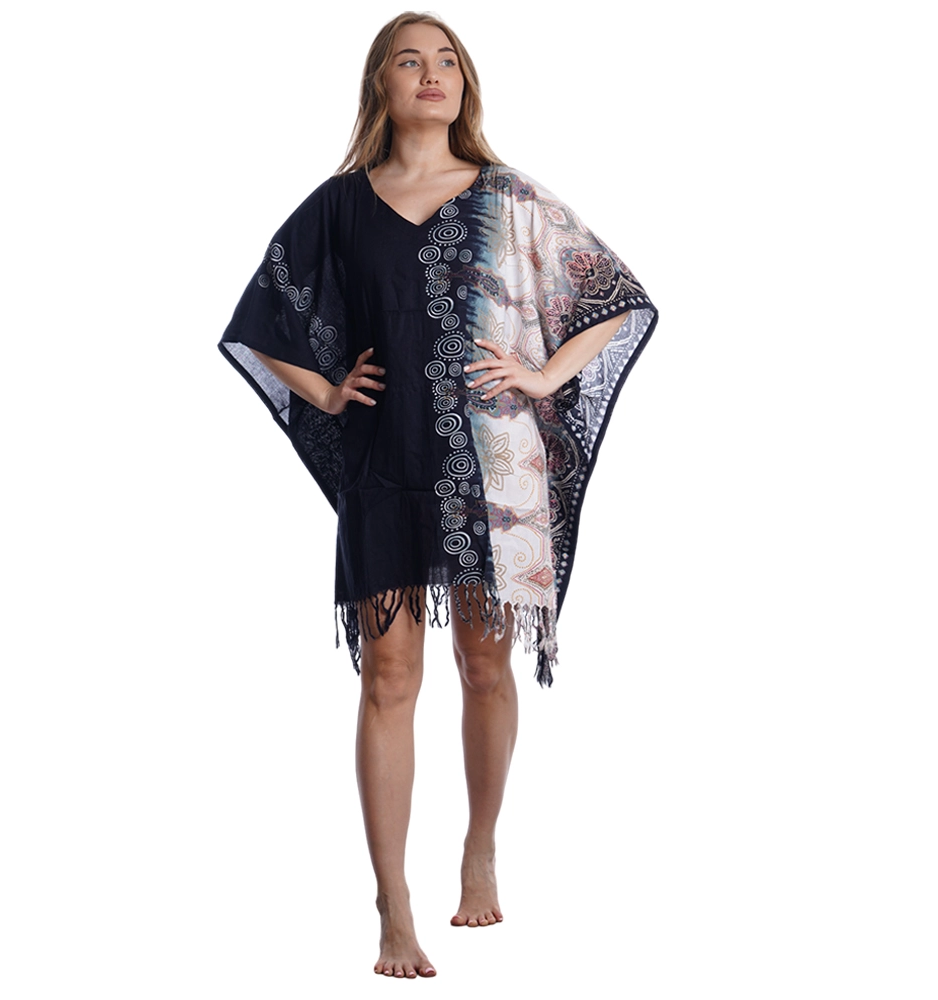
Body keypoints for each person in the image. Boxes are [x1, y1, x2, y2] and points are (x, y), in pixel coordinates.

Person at [218, 11, 658, 979]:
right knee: (387, 675)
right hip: (385, 459)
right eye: (409, 61)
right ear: (380, 84)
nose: (431, 74)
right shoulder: (339, 206)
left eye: (446, 60)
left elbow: (613, 296)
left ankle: (480, 845)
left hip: (495, 467)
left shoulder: (508, 196)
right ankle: (393, 905)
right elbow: (261, 315)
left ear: (465, 83)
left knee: (485, 663)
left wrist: (544, 375)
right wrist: (325, 391)